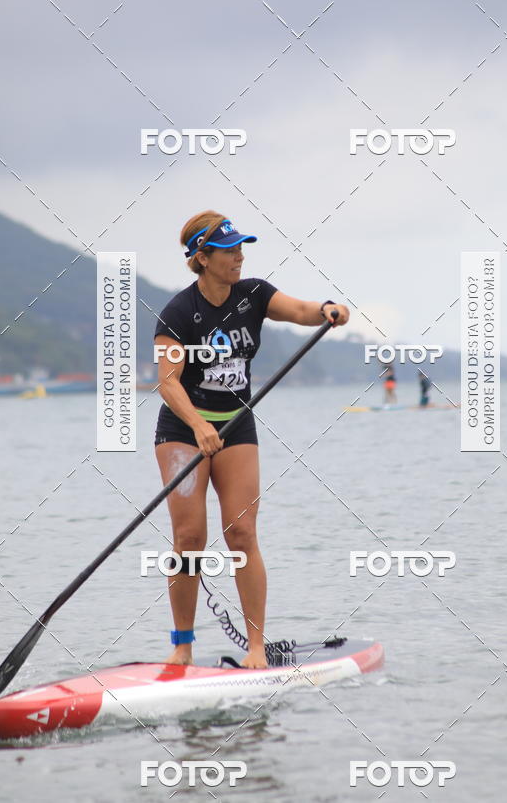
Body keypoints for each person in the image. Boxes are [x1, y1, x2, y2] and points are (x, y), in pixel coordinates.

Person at [154, 210, 349, 669]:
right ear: (203, 258)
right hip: (183, 428)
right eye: (229, 250)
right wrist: (198, 425)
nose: (239, 256)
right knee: (189, 537)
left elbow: (300, 311)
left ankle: (256, 648)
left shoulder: (254, 294)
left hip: (236, 424)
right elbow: (167, 382)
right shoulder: (178, 313)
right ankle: (182, 646)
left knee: (241, 533)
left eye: (241, 248)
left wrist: (327, 309)